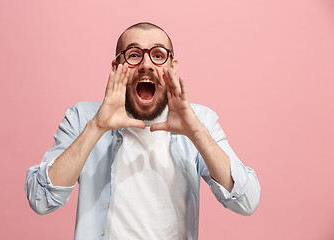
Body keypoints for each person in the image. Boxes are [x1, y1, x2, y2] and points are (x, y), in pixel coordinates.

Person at [25, 22, 260, 240]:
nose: (146, 65)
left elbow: (246, 201)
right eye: (134, 55)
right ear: (117, 67)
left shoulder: (200, 120)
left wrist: (196, 132)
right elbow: (42, 200)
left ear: (172, 66)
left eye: (158, 55)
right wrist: (97, 127)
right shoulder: (82, 117)